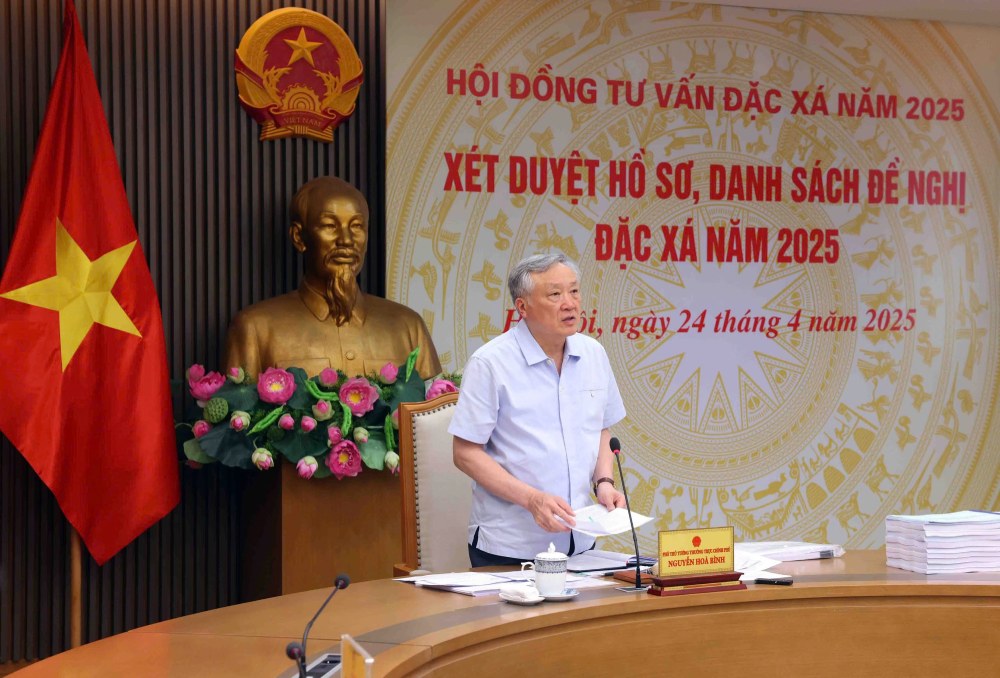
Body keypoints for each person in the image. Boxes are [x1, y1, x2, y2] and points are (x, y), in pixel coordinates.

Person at [449, 253, 627, 567]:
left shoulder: (594, 354)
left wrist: (604, 482)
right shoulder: (490, 363)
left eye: (574, 291)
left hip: (580, 543)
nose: (570, 303)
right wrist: (532, 500)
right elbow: (465, 453)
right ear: (522, 307)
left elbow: (600, 428)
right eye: (555, 294)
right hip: (510, 546)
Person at [224, 176, 441, 379]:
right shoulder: (255, 328)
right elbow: (237, 416)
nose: (346, 240)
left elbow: (438, 415)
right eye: (330, 226)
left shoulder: (408, 327)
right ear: (299, 237)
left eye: (356, 226)